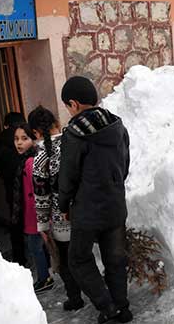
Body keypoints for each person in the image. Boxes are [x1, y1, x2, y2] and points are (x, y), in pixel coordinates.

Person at [58, 76, 132, 323]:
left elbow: (68, 175)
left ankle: (107, 306)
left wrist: (64, 204)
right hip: (114, 206)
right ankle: (122, 308)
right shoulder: (117, 126)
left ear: (74, 104)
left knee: (78, 259)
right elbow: (124, 166)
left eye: (67, 106)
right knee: (116, 259)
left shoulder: (74, 134)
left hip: (87, 211)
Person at [28, 106, 83, 309]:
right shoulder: (72, 145)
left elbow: (41, 197)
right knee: (84, 257)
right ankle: (99, 295)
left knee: (66, 262)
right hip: (82, 210)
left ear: (35, 133)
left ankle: (75, 298)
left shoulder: (40, 158)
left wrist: (42, 227)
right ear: (57, 124)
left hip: (61, 220)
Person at [11, 122, 54, 293]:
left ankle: (45, 279)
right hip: (32, 215)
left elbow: (36, 193)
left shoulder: (30, 162)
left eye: (24, 138)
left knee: (36, 248)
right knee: (38, 247)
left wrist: (41, 219)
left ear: (33, 139)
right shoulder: (27, 160)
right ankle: (46, 276)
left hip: (34, 215)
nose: (19, 143)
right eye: (16, 139)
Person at [0, 112, 28, 267]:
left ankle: (20, 260)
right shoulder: (27, 137)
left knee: (16, 225)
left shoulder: (0, 141)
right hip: (30, 188)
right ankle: (46, 259)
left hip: (12, 190)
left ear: (5, 125)